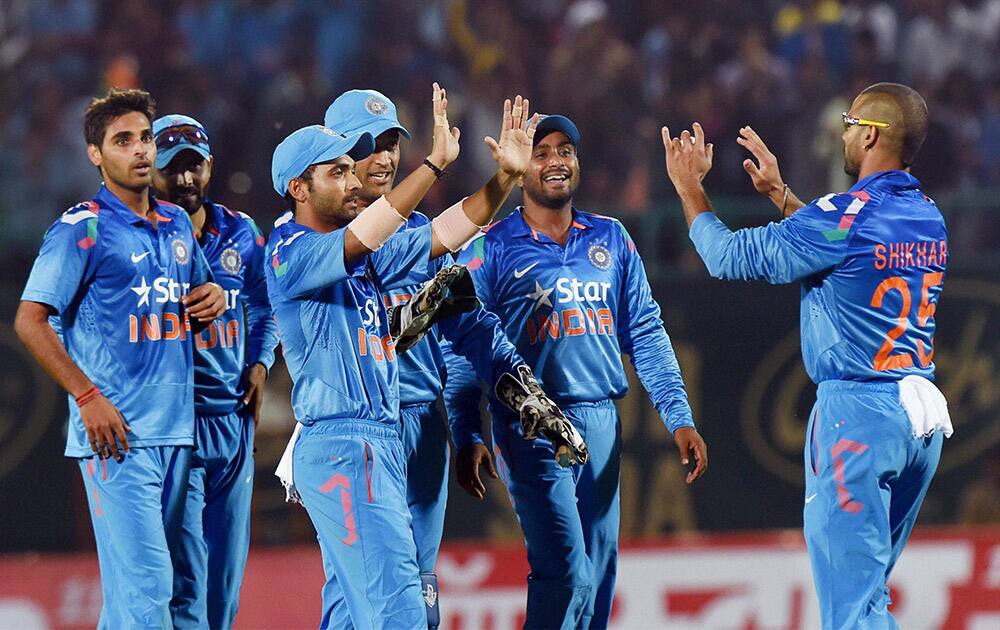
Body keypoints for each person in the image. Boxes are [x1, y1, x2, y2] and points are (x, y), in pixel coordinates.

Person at [662, 82, 951, 629]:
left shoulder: (841, 216)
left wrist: (688, 188)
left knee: (851, 609)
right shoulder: (927, 213)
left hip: (857, 416)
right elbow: (846, 244)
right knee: (869, 598)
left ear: (870, 134)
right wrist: (782, 195)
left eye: (848, 122)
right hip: (921, 416)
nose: (841, 133)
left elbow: (727, 257)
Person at [267, 84, 538, 629]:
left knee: (363, 610)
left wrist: (506, 177)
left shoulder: (373, 247)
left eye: (354, 166)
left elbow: (446, 231)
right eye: (339, 169)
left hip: (387, 433)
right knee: (400, 612)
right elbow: (367, 234)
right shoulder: (290, 248)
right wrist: (435, 165)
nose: (358, 174)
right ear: (299, 187)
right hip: (345, 441)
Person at [445, 114, 708, 629]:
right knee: (566, 571)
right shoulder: (490, 247)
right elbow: (461, 345)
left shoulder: (612, 238)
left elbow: (647, 334)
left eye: (565, 150)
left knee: (600, 571)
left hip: (602, 421)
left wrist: (678, 417)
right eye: (541, 153)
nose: (556, 162)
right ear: (520, 171)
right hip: (530, 425)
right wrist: (467, 428)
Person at [14, 89, 225, 628]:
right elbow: (30, 320)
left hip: (178, 431)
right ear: (95, 154)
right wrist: (87, 397)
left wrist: (215, 296)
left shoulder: (177, 224)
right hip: (118, 436)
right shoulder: (80, 228)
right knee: (148, 589)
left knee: (162, 593)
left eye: (146, 139)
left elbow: (199, 293)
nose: (140, 151)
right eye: (122, 140)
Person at [151, 114, 278, 629]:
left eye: (194, 167)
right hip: (174, 425)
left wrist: (261, 363)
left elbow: (266, 306)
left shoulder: (241, 231)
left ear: (210, 167)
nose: (185, 179)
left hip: (233, 421)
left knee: (224, 584)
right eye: (172, 168)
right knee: (187, 584)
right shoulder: (146, 239)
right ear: (152, 171)